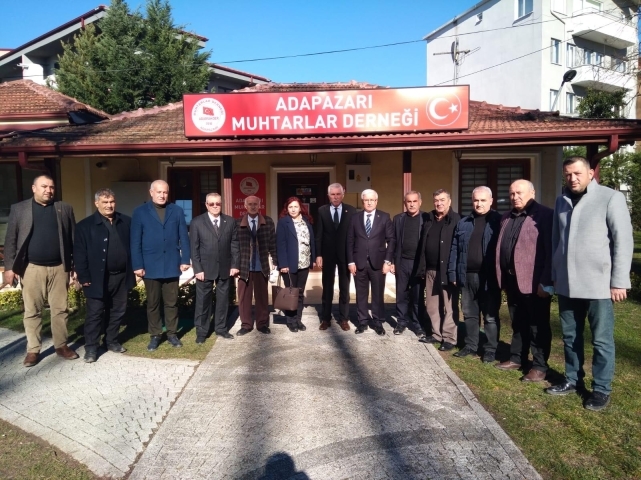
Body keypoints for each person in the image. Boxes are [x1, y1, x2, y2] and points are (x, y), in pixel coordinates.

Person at [546, 156, 633, 411]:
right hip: (567, 284)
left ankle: (601, 389)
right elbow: (556, 241)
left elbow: (623, 240)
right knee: (570, 336)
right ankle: (572, 379)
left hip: (599, 284)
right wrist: (555, 273)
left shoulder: (610, 197)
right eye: (568, 174)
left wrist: (619, 281)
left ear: (591, 173)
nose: (572, 178)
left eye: (577, 173)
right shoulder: (561, 201)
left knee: (601, 340)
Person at [4, 174, 78, 366]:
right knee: (32, 311)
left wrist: (74, 266)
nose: (48, 190)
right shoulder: (19, 209)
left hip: (59, 268)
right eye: (44, 186)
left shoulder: (64, 208)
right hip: (31, 268)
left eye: (51, 187)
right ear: (34, 188)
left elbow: (73, 240)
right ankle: (33, 350)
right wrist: (9, 268)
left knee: (60, 310)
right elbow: (11, 240)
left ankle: (61, 345)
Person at [494, 180, 553, 382]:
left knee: (538, 326)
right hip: (512, 280)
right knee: (518, 322)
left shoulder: (545, 215)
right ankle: (517, 357)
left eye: (519, 193)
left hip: (535, 282)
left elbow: (550, 252)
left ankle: (539, 366)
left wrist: (546, 282)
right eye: (512, 193)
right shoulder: (506, 217)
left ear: (532, 193)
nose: (515, 197)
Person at [74, 188, 135, 363]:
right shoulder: (84, 226)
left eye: (112, 202)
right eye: (105, 202)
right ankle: (91, 348)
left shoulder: (126, 222)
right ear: (96, 203)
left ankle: (111, 341)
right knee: (95, 313)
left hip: (121, 276)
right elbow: (79, 254)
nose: (109, 205)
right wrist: (83, 276)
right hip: (96, 278)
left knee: (118, 311)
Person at [131, 180, 191, 351]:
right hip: (150, 265)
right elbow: (135, 241)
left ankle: (172, 334)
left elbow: (184, 237)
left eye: (165, 192)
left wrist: (185, 259)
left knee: (171, 303)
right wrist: (137, 265)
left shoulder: (177, 211)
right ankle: (155, 334)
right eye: (159, 192)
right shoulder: (140, 212)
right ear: (151, 192)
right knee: (153, 303)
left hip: (172, 264)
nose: (162, 195)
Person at [448, 186, 501, 363]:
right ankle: (471, 346)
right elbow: (454, 249)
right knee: (469, 313)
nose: (479, 204)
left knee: (490, 316)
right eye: (476, 200)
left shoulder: (499, 222)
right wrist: (453, 273)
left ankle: (491, 349)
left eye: (483, 200)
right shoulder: (464, 223)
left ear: (491, 201)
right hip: (467, 275)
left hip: (489, 277)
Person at [190, 193, 239, 343]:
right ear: (206, 205)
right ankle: (201, 332)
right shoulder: (197, 222)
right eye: (212, 204)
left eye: (218, 203)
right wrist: (197, 269)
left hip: (225, 268)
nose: (215, 206)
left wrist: (234, 265)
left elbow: (234, 245)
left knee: (223, 301)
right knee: (203, 302)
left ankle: (221, 329)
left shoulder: (230, 221)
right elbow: (194, 248)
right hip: (204, 270)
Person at [416, 189, 461, 350]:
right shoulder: (429, 219)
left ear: (449, 201)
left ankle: (449, 338)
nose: (439, 203)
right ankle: (436, 334)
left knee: (449, 305)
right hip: (430, 270)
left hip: (447, 270)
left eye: (442, 200)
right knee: (432, 305)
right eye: (436, 200)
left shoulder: (456, 220)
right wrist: (422, 268)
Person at [347, 189, 395, 336]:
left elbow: (391, 240)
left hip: (378, 263)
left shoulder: (384, 217)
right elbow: (350, 240)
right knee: (361, 294)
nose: (369, 202)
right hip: (359, 262)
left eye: (372, 200)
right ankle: (362, 322)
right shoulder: (355, 218)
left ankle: (378, 322)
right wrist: (350, 262)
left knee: (378, 294)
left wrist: (388, 261)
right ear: (363, 202)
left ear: (376, 201)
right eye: (366, 200)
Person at [314, 183, 355, 331]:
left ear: (343, 195)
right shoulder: (322, 210)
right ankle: (326, 318)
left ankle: (344, 318)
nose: (336, 197)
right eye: (333, 194)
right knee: (327, 287)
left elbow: (353, 235)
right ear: (328, 196)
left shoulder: (351, 210)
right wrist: (318, 254)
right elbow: (318, 234)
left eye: (338, 194)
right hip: (328, 254)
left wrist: (353, 256)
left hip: (345, 254)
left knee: (344, 287)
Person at [236, 196, 277, 335]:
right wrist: (234, 266)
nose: (253, 206)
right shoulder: (238, 223)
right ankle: (246, 324)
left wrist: (275, 262)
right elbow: (234, 247)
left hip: (262, 266)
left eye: (255, 204)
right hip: (244, 266)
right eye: (250, 204)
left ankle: (262, 324)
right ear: (245, 206)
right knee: (244, 298)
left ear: (260, 205)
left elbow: (273, 243)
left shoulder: (268, 222)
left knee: (262, 297)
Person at [391, 191, 428, 339]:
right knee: (401, 294)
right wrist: (392, 262)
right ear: (405, 203)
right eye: (409, 201)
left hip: (418, 263)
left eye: (414, 201)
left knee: (417, 296)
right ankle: (401, 322)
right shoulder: (398, 219)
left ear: (420, 202)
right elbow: (393, 241)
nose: (411, 204)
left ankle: (418, 325)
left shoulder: (426, 218)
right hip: (402, 262)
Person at [276, 197, 316, 333]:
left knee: (299, 293)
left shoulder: (306, 221)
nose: (293, 209)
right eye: (290, 207)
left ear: (300, 208)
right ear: (286, 209)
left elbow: (312, 241)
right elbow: (280, 244)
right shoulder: (283, 222)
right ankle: (291, 321)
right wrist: (283, 264)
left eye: (295, 207)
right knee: (290, 293)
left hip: (304, 262)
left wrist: (313, 258)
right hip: (289, 264)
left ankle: (298, 320)